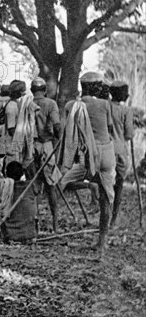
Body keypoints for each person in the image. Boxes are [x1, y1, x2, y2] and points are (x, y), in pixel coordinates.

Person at [60, 71, 116, 253]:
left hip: (87, 155)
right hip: (106, 151)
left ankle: (87, 186)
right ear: (96, 87)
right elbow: (108, 127)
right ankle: (102, 241)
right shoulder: (105, 104)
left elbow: (67, 131)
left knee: (61, 182)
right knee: (106, 197)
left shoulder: (71, 105)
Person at [30, 77, 62, 232]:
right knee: (51, 186)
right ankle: (55, 225)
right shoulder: (51, 104)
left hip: (30, 146)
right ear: (45, 90)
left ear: (31, 90)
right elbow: (56, 126)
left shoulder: (27, 103)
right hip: (46, 146)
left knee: (33, 186)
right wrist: (60, 141)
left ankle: (34, 225)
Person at [0, 161, 39, 244]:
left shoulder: (3, 187)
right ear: (22, 174)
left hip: (11, 235)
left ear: (6, 173)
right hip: (30, 235)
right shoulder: (30, 186)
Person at [109, 81, 135, 227]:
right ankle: (114, 219)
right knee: (119, 185)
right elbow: (129, 134)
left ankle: (105, 216)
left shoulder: (105, 106)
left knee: (105, 185)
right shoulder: (126, 111)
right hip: (120, 151)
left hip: (106, 149)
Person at [3, 80, 38, 170]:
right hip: (13, 146)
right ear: (17, 92)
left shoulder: (19, 105)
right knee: (14, 170)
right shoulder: (12, 106)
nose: (24, 93)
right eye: (22, 90)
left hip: (18, 145)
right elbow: (11, 130)